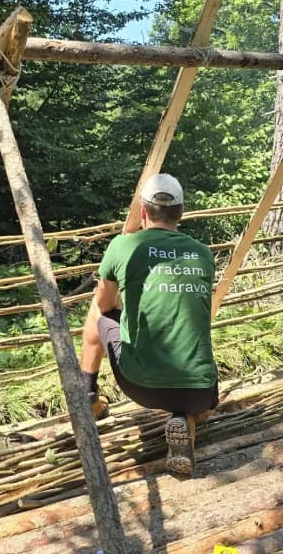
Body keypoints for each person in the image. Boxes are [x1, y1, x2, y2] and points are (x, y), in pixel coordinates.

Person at [79, 173, 218, 475]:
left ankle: (87, 392)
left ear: (143, 212)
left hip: (142, 387)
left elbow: (105, 305)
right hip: (201, 391)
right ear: (181, 213)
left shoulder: (122, 246)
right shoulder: (204, 254)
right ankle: (186, 420)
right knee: (193, 387)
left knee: (97, 309)